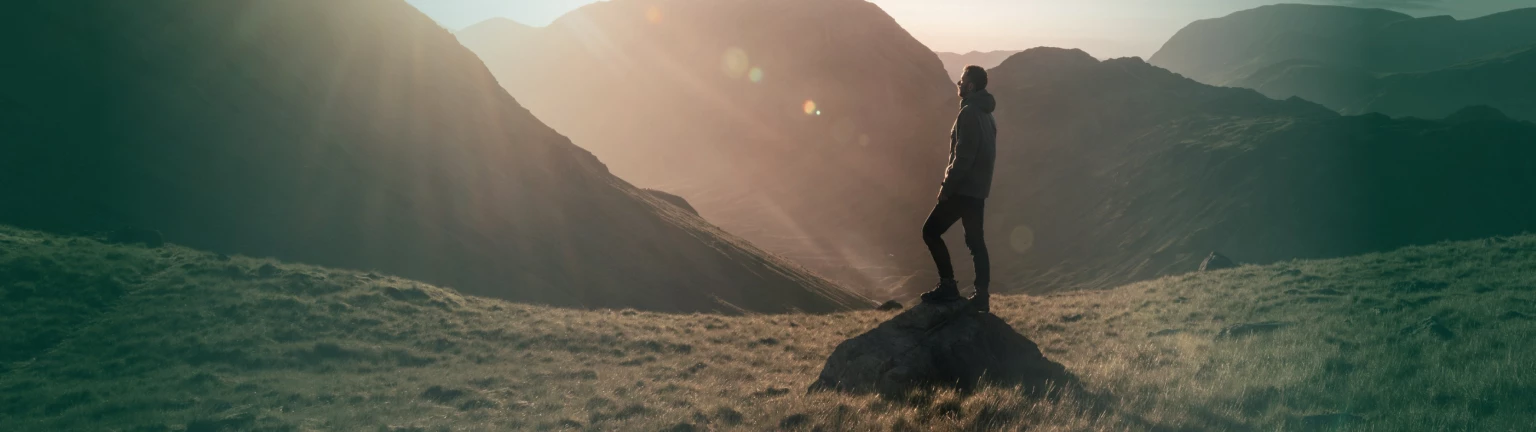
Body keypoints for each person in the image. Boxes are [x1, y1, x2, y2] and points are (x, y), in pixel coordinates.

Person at [919, 65, 996, 313]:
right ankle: (982, 296)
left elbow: (962, 157)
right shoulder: (987, 115)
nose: (958, 84)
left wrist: (947, 187)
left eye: (962, 81)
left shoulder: (969, 113)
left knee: (930, 231)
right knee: (976, 242)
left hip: (962, 189)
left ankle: (948, 286)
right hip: (978, 191)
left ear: (970, 85)